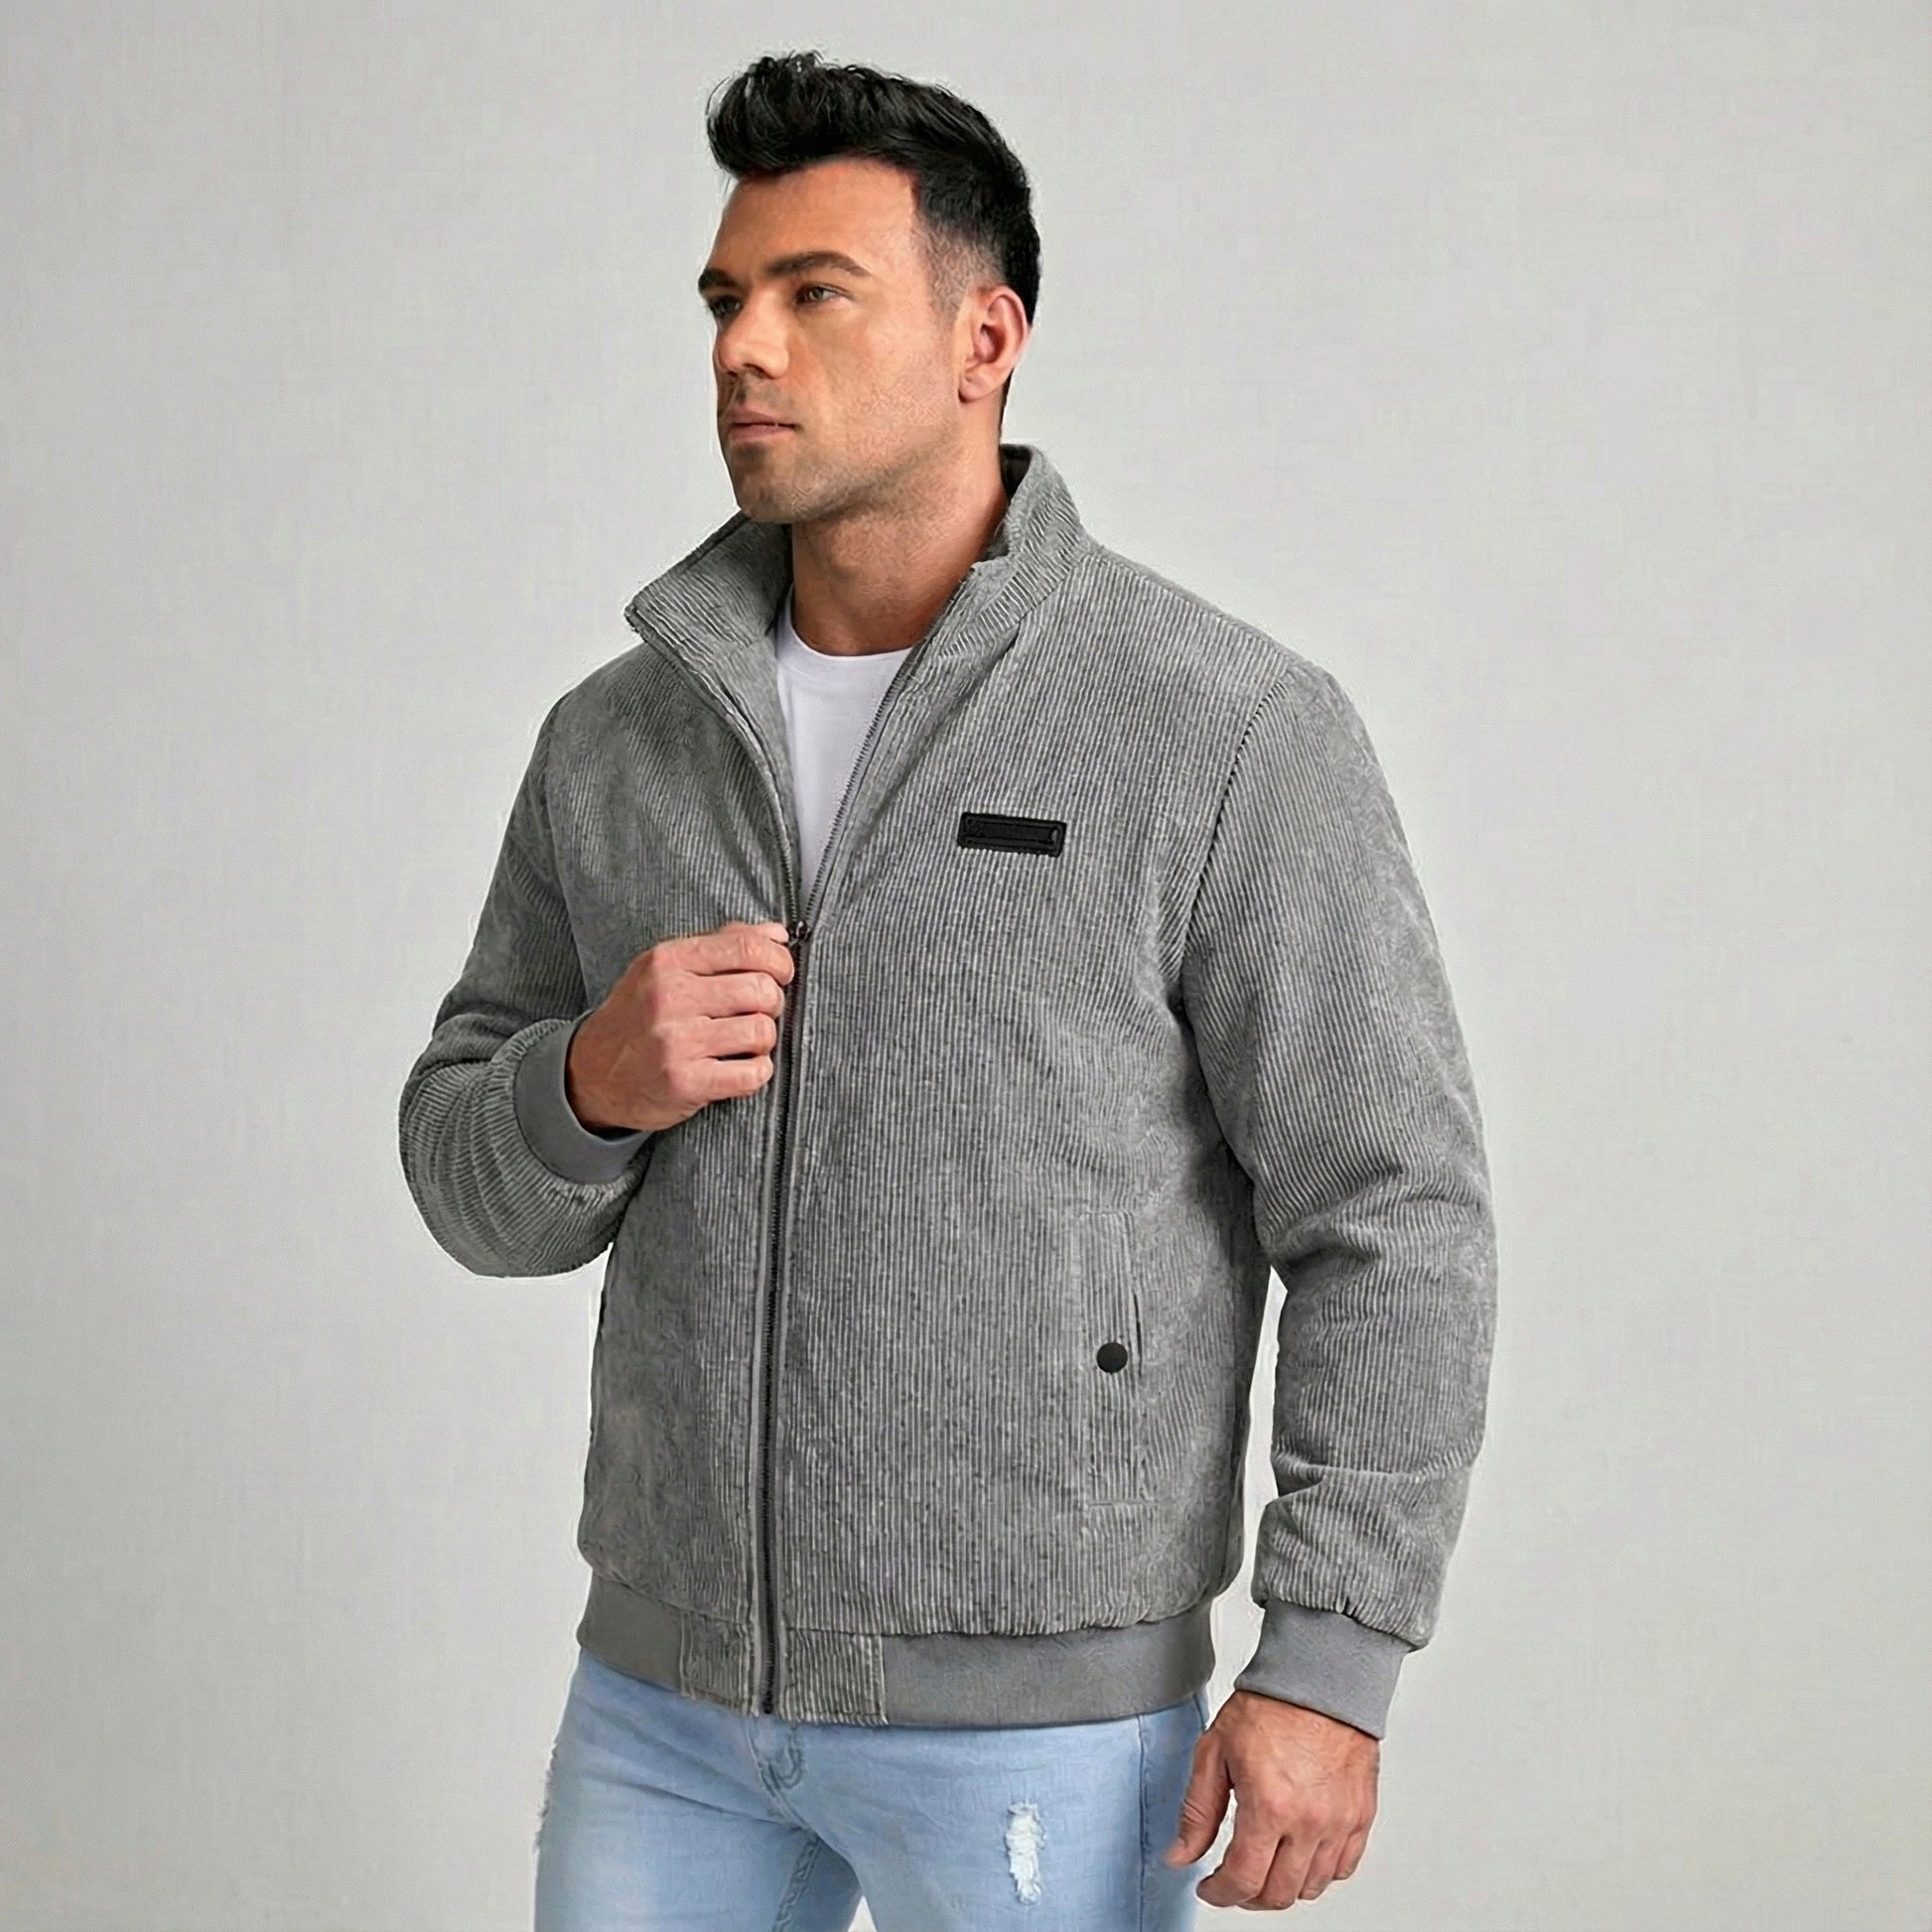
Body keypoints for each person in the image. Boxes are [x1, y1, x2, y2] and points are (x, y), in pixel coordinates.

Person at [397, 47, 1497, 1930]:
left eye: (814, 294)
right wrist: (583, 1084)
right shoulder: (618, 740)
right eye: (725, 300)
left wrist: (1329, 1657)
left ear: (985, 338)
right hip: (663, 1708)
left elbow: (1392, 1204)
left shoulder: (1218, 728)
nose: (745, 348)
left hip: (1044, 1725)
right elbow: (460, 1169)